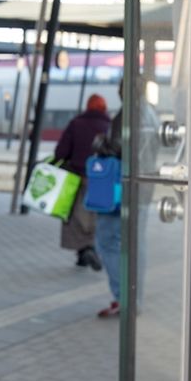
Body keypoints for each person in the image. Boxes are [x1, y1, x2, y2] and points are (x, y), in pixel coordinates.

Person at [94, 83, 160, 318]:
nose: (119, 92)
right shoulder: (152, 114)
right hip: (144, 186)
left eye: (122, 88)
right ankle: (133, 300)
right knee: (136, 244)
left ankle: (123, 297)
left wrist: (101, 143)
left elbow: (120, 148)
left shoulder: (128, 114)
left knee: (107, 240)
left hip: (123, 188)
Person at [53, 93, 111, 270]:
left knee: (74, 216)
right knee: (95, 215)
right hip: (100, 179)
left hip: (76, 177)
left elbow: (60, 152)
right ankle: (90, 248)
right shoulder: (108, 126)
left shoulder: (76, 124)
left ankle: (83, 250)